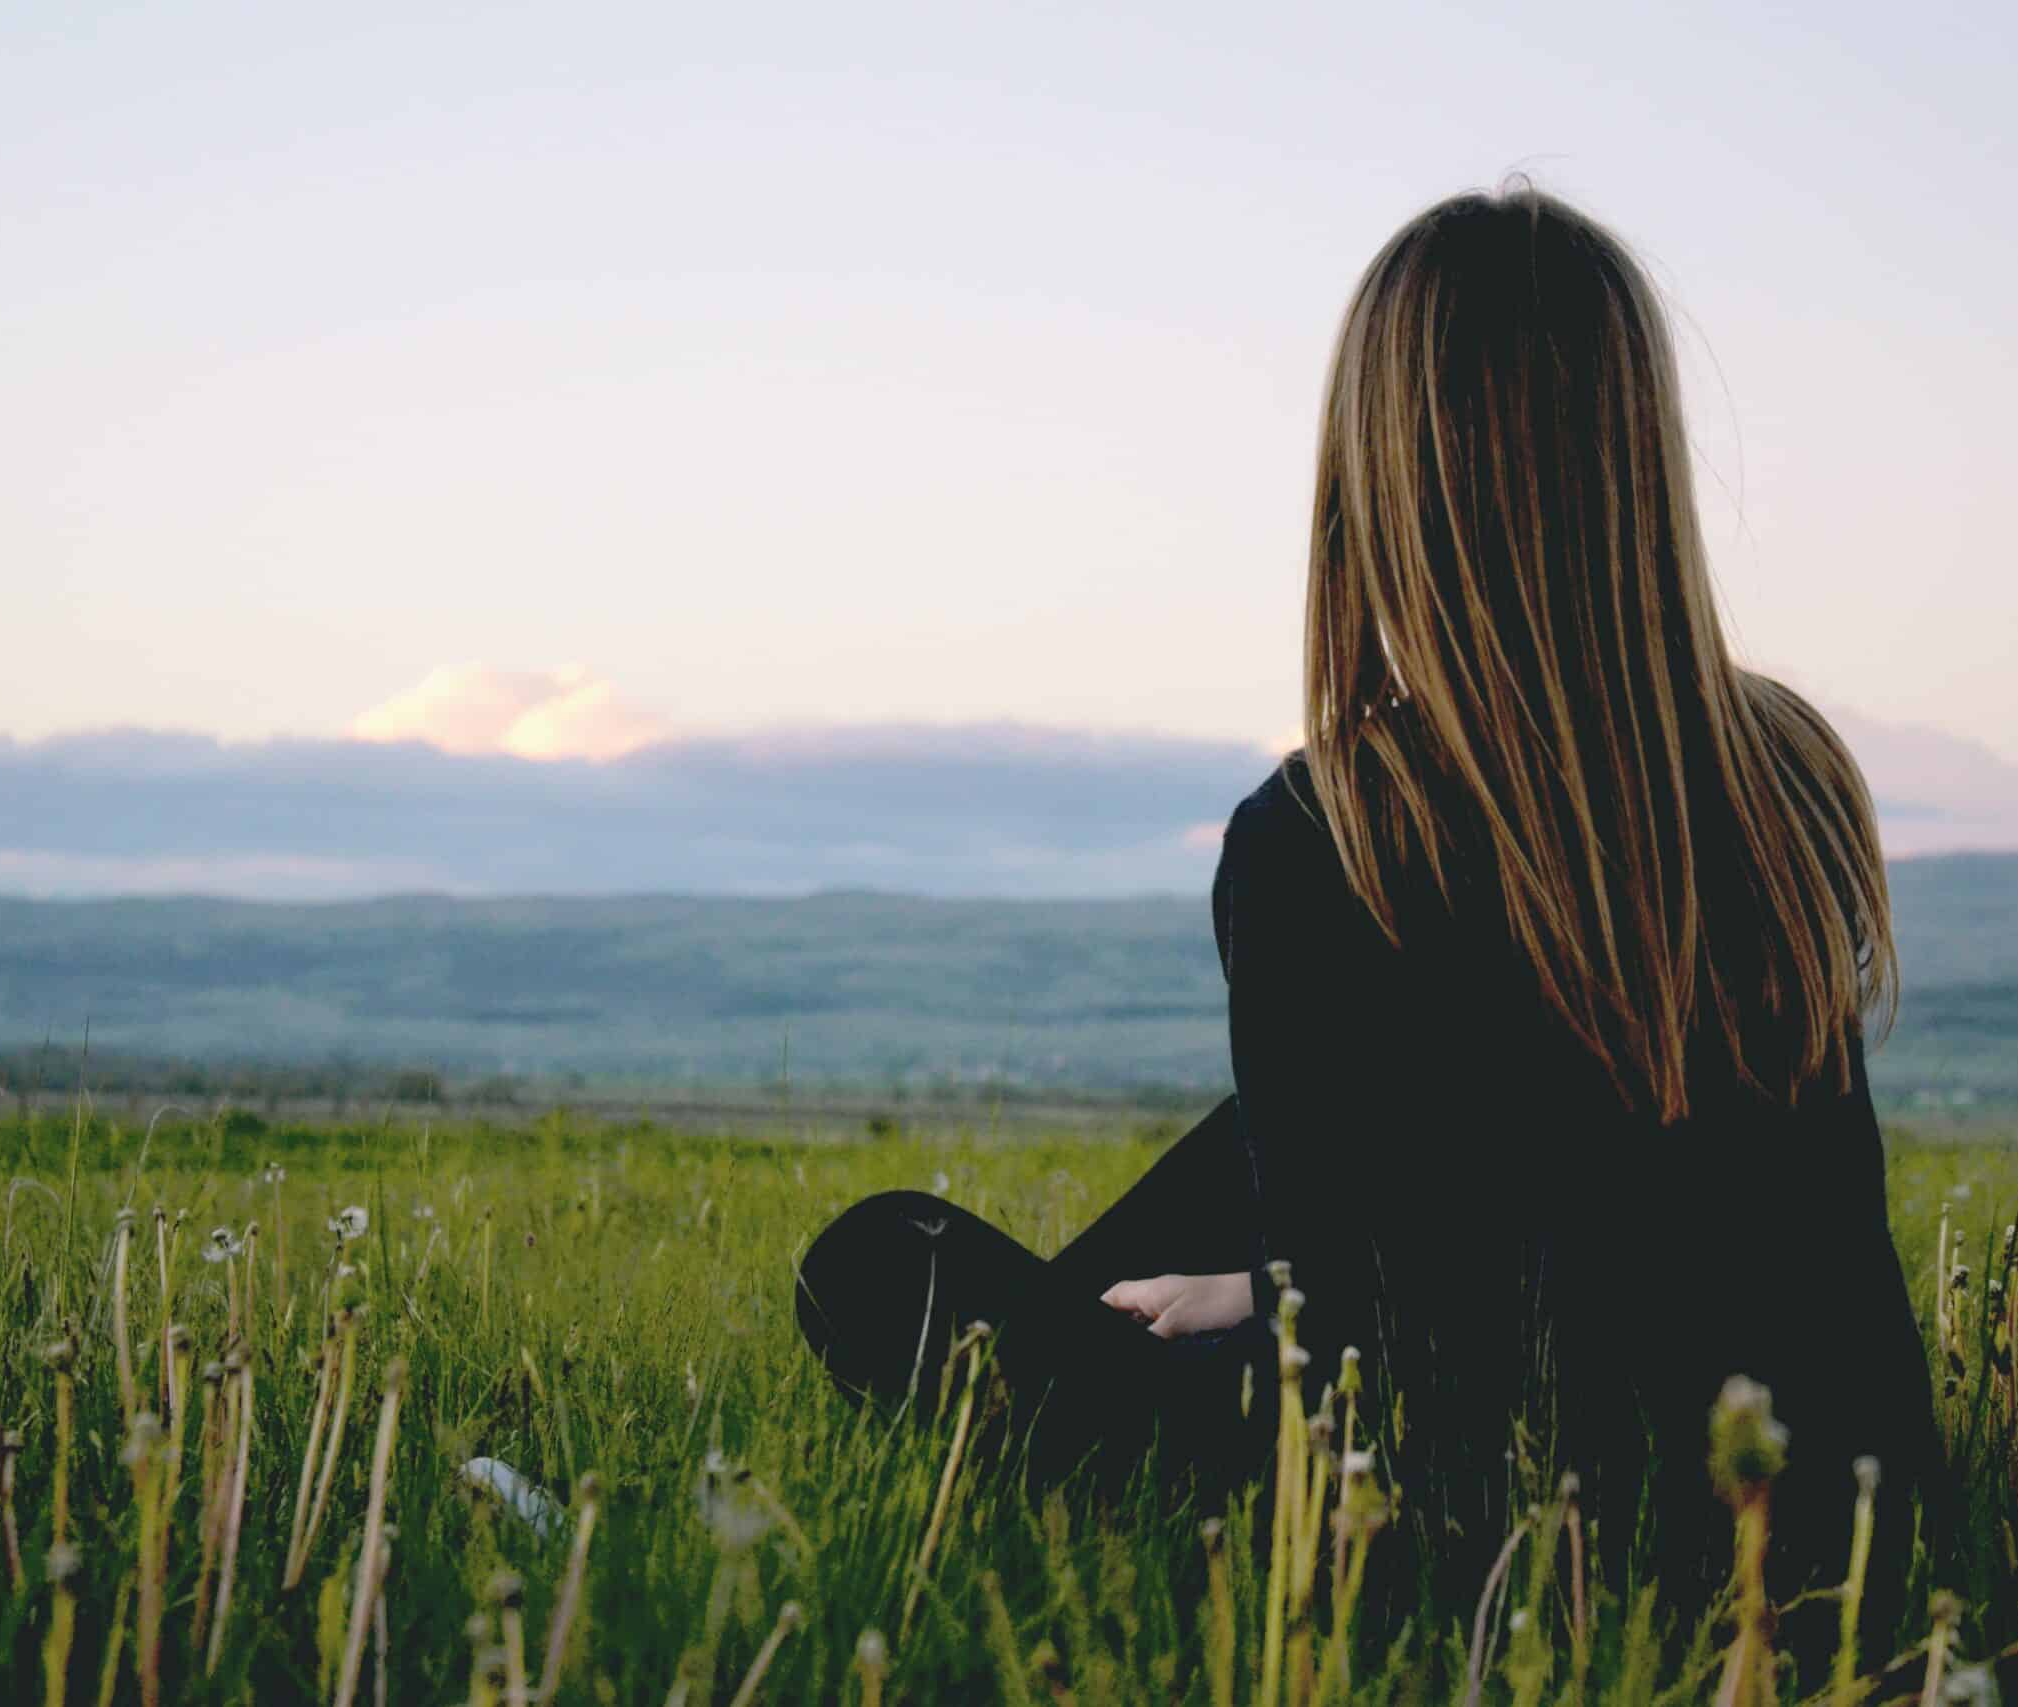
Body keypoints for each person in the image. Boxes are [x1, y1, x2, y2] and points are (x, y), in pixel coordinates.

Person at [793, 182, 1937, 1637]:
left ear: (1383, 475)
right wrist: (1259, 1279)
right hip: (1833, 1513)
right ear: (1637, 457)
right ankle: (1147, 1317)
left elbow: (1366, 1368)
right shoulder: (1788, 771)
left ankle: (1034, 1411)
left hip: (1487, 1530)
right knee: (1250, 1155)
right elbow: (1679, 1209)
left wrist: (1273, 1303)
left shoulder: (1332, 834)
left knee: (877, 1266)